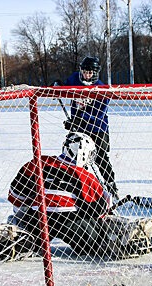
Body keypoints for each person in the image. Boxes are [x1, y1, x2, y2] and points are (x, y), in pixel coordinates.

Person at [0, 132, 152, 263]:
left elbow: (15, 195)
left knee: (24, 227)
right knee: (97, 240)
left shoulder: (37, 163)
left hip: (37, 216)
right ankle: (125, 236)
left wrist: (25, 213)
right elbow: (98, 211)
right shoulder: (84, 175)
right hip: (71, 221)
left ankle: (17, 237)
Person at [58, 56, 119, 199]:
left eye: (90, 72)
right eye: (85, 71)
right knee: (72, 156)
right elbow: (64, 87)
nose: (87, 75)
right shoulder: (74, 79)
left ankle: (111, 187)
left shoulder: (101, 89)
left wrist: (77, 122)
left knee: (101, 159)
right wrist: (58, 85)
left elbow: (98, 115)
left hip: (98, 130)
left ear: (95, 73)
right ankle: (75, 188)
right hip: (78, 128)